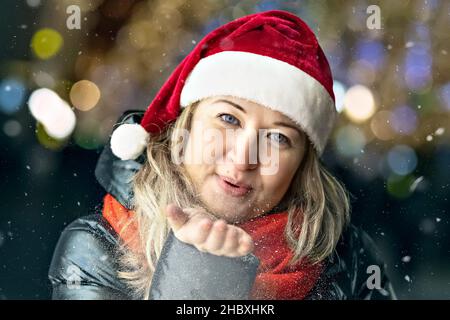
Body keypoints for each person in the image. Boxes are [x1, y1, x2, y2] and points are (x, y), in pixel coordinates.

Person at [48, 10, 396, 300]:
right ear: (183, 129)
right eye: (228, 118)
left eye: (277, 138)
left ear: (302, 166)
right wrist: (197, 280)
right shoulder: (97, 246)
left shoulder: (347, 255)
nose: (244, 157)